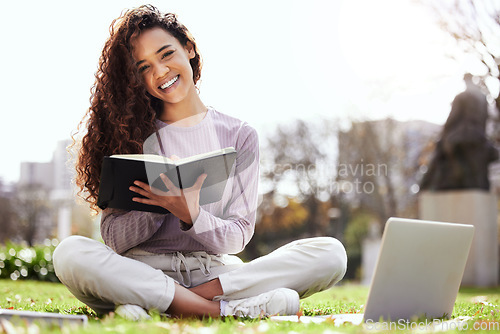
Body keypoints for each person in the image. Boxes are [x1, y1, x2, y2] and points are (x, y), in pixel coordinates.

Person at [53, 5, 347, 320]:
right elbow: (112, 239)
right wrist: (158, 205)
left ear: (189, 47)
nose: (160, 72)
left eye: (166, 54)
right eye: (144, 67)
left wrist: (192, 214)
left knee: (330, 254)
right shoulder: (130, 135)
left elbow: (238, 235)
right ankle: (220, 311)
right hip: (144, 269)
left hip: (216, 275)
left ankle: (169, 306)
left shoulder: (239, 135)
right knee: (70, 254)